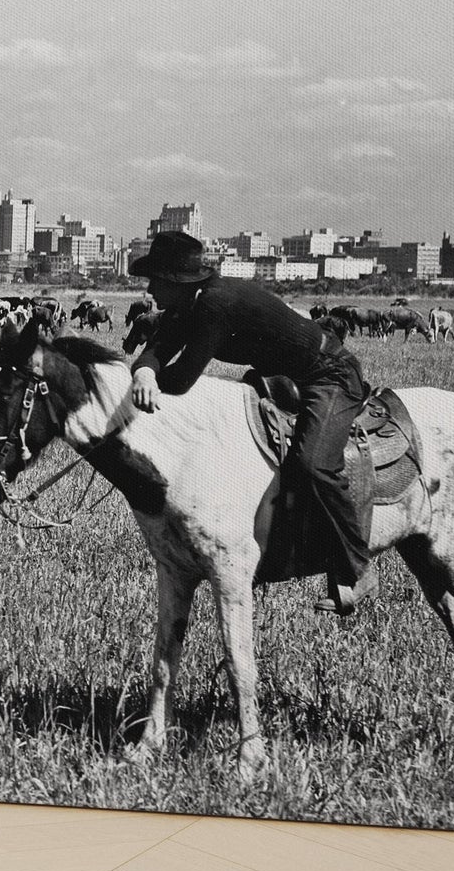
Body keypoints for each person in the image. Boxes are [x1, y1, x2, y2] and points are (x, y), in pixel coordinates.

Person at [127, 230, 377, 613]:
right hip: (282, 377)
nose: (150, 289)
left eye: (156, 281)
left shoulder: (215, 304)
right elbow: (157, 350)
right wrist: (144, 372)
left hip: (328, 375)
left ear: (176, 282)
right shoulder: (187, 306)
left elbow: (182, 378)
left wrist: (152, 374)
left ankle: (358, 569)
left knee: (314, 465)